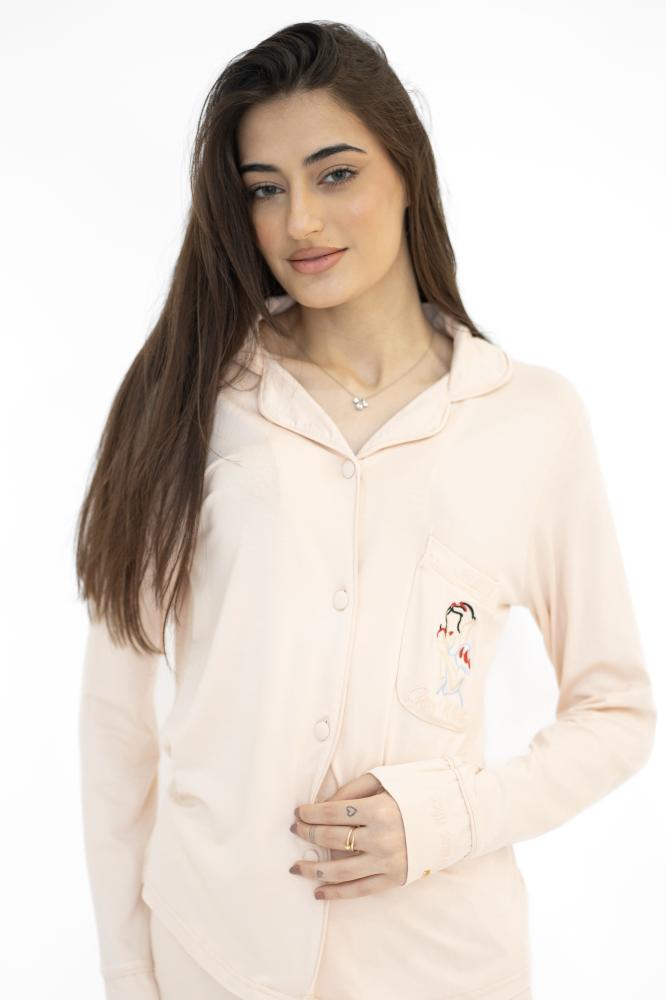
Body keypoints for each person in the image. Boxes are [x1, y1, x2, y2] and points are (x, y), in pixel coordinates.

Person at [75, 19, 657, 1000]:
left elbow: (617, 712)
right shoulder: (187, 404)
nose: (300, 221)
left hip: (441, 964)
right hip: (213, 956)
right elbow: (115, 723)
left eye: (335, 174)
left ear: (407, 171)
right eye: (264, 189)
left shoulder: (531, 419)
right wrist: (129, 974)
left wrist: (447, 819)